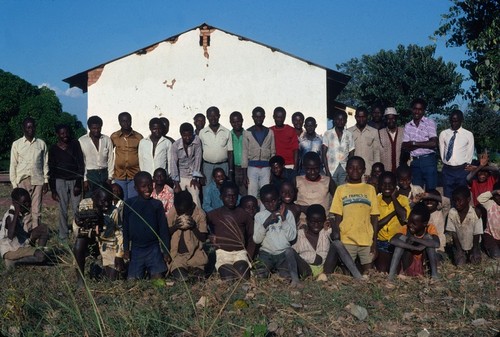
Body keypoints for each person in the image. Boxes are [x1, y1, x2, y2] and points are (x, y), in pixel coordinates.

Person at [329, 156, 379, 274]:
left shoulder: (370, 189)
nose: (355, 171)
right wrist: (340, 240)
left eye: (359, 168)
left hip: (366, 239)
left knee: (368, 274)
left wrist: (374, 243)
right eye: (351, 168)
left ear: (364, 170)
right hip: (347, 239)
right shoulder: (341, 189)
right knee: (348, 273)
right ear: (346, 169)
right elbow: (337, 217)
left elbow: (375, 218)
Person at [292, 204, 362, 280]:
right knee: (290, 251)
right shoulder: (300, 234)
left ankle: (357, 276)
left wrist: (331, 221)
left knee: (337, 243)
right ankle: (296, 280)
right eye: (312, 222)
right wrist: (310, 257)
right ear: (307, 221)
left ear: (324, 220)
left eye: (319, 222)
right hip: (306, 270)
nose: (316, 225)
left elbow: (336, 237)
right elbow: (294, 254)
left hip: (326, 269)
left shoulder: (325, 232)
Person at [123, 172, 171, 280]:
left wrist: (165, 251)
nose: (147, 189)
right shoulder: (129, 204)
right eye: (143, 186)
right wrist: (126, 249)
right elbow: (125, 229)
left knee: (158, 282)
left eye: (149, 185)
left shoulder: (157, 204)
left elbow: (163, 230)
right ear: (136, 188)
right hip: (136, 249)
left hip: (153, 249)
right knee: (132, 281)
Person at [73, 184, 122, 285]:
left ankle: (97, 269)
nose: (106, 204)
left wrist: (119, 255)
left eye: (109, 201)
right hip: (89, 239)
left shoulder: (114, 212)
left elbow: (119, 233)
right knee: (79, 244)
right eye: (103, 201)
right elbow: (77, 229)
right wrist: (79, 223)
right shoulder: (84, 204)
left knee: (112, 278)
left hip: (107, 243)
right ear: (94, 198)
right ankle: (80, 280)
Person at [253, 184, 301, 287]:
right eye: (267, 202)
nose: (271, 204)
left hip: (283, 253)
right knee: (260, 276)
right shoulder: (259, 216)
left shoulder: (288, 214)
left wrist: (283, 219)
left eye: (273, 200)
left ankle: (281, 272)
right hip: (266, 253)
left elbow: (292, 237)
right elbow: (257, 239)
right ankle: (269, 270)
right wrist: (266, 222)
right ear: (262, 202)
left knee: (285, 279)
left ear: (279, 198)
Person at [207, 181, 256, 280]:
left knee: (243, 275)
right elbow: (202, 225)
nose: (231, 199)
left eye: (234, 196)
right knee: (228, 276)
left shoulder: (243, 214)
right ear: (221, 197)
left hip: (240, 253)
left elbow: (252, 236)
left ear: (238, 196)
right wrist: (210, 236)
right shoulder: (214, 214)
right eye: (227, 196)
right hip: (223, 253)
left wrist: (249, 255)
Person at [10, 117, 49, 237]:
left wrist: (46, 180)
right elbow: (13, 165)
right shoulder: (17, 144)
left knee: (36, 210)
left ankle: (35, 236)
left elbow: (45, 163)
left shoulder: (41, 144)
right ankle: (25, 234)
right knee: (24, 210)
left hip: (38, 180)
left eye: (32, 127)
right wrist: (15, 185)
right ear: (23, 128)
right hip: (22, 181)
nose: (30, 129)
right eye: (28, 127)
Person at [48, 124, 85, 241]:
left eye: (66, 133)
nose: (65, 136)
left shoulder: (75, 144)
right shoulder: (53, 149)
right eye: (62, 133)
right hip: (60, 181)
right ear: (57, 134)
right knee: (62, 209)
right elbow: (52, 170)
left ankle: (78, 233)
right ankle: (63, 235)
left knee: (77, 209)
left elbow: (80, 164)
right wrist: (53, 189)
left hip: (74, 181)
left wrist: (79, 183)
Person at [388, 203, 440, 280]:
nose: (410, 225)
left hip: (423, 264)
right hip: (408, 263)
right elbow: (393, 240)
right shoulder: (405, 228)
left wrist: (416, 239)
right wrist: (415, 248)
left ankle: (435, 276)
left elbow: (436, 243)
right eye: (409, 221)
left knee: (428, 238)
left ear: (424, 224)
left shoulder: (430, 228)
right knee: (401, 240)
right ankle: (391, 277)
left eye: (414, 224)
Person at [167, 191, 208, 280]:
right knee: (181, 277)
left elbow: (203, 238)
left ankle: (195, 270)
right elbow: (166, 233)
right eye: (180, 213)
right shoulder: (173, 211)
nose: (182, 215)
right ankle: (180, 271)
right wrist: (175, 227)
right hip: (177, 255)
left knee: (198, 278)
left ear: (192, 207)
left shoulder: (200, 214)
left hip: (195, 254)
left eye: (186, 212)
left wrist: (193, 227)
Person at [374, 172, 410, 273]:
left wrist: (394, 197)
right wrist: (394, 213)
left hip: (398, 242)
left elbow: (404, 217)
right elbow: (376, 225)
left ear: (396, 185)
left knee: (396, 271)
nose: (387, 187)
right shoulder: (376, 200)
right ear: (379, 186)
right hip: (381, 242)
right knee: (382, 271)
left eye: (390, 184)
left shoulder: (402, 199)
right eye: (384, 184)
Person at [1, 188, 45, 270]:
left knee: (43, 229)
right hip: (11, 249)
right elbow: (10, 235)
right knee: (42, 257)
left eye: (29, 201)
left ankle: (37, 251)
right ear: (15, 204)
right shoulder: (10, 216)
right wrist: (17, 212)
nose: (28, 204)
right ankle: (15, 261)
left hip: (20, 244)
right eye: (24, 203)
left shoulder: (20, 213)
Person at [402, 98, 438, 190]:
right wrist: (425, 143)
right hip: (415, 162)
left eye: (420, 109)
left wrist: (414, 143)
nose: (417, 112)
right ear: (412, 109)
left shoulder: (429, 122)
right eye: (415, 109)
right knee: (416, 191)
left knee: (430, 190)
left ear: (423, 111)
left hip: (428, 160)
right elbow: (405, 145)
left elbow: (433, 143)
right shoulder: (408, 126)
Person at [439, 110, 474, 201]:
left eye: (456, 121)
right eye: (452, 120)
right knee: (447, 197)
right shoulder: (444, 134)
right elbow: (442, 150)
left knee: (461, 196)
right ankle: (449, 215)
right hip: (448, 170)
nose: (454, 123)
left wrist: (466, 166)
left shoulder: (468, 135)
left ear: (461, 120)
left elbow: (469, 152)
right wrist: (446, 163)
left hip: (461, 170)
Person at [295, 152, 336, 228]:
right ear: (304, 167)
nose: (312, 172)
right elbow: (290, 202)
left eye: (316, 168)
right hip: (303, 222)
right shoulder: (298, 181)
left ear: (320, 166)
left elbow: (337, 200)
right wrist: (301, 208)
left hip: (323, 222)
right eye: (309, 169)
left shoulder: (328, 181)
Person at [242, 107, 275, 198]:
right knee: (252, 193)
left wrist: (272, 171)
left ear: (264, 117)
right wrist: (245, 175)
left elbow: (273, 152)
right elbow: (244, 152)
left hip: (266, 168)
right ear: (253, 117)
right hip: (252, 167)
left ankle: (265, 211)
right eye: (256, 117)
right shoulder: (247, 132)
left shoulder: (269, 132)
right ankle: (252, 212)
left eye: (260, 117)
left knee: (266, 193)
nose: (258, 119)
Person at [198, 106, 233, 191]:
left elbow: (230, 153)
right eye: (210, 116)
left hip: (223, 165)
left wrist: (230, 170)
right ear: (207, 117)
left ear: (219, 116)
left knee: (223, 190)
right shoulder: (202, 133)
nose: (213, 118)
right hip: (207, 166)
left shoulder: (226, 132)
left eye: (215, 115)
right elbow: (199, 153)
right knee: (207, 190)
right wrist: (201, 171)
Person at [79, 115, 114, 198]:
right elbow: (82, 161)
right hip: (90, 174)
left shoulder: (106, 139)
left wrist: (110, 177)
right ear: (89, 127)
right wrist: (85, 179)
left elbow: (111, 159)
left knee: (105, 197)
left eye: (98, 128)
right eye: (94, 128)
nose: (96, 130)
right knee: (90, 197)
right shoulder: (82, 141)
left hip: (104, 173)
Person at [446, 186, 483, 266]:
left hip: (473, 244)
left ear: (468, 199)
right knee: (460, 264)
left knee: (476, 262)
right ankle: (462, 254)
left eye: (459, 201)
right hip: (459, 245)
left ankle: (472, 253)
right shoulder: (452, 213)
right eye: (455, 201)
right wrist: (459, 250)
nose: (457, 203)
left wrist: (475, 249)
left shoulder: (475, 213)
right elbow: (454, 234)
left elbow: (477, 233)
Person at [110, 112, 143, 200]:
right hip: (119, 175)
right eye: (123, 121)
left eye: (128, 121)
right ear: (119, 122)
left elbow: (142, 155)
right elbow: (109, 154)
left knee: (133, 201)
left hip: (134, 176)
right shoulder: (114, 136)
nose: (126, 123)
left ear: (131, 121)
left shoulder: (138, 137)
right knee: (121, 201)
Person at [170, 122, 203, 206]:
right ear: (181, 134)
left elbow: (198, 159)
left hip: (192, 175)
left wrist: (195, 178)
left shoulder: (197, 141)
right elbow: (173, 164)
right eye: (185, 136)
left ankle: (198, 217)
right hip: (181, 176)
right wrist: (176, 184)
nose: (187, 138)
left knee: (195, 196)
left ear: (193, 133)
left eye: (190, 135)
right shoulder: (175, 145)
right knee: (178, 198)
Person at [322, 110, 355, 186]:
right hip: (331, 168)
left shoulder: (349, 135)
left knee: (343, 191)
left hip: (344, 168)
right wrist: (327, 171)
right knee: (332, 193)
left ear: (345, 121)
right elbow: (323, 154)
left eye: (342, 119)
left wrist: (349, 171)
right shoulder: (328, 134)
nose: (340, 121)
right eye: (338, 119)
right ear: (334, 120)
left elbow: (351, 154)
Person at [348, 106, 381, 180]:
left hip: (368, 171)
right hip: (354, 172)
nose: (361, 119)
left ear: (367, 117)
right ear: (355, 117)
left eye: (363, 117)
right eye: (359, 117)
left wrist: (375, 172)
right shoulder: (349, 132)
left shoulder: (374, 132)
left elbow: (376, 152)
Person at [477, 183, 500, 258]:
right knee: (496, 255)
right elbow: (480, 198)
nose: (499, 198)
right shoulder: (491, 204)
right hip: (491, 235)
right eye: (497, 196)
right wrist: (495, 191)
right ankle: (489, 248)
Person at [378, 107, 404, 173]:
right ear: (385, 120)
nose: (391, 121)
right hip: (385, 171)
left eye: (393, 118)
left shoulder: (403, 132)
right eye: (388, 119)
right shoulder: (380, 133)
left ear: (396, 118)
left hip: (401, 171)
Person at [422, 190, 446, 259]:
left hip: (438, 249)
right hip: (423, 247)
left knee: (435, 258)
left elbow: (447, 202)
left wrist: (430, 195)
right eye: (427, 200)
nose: (429, 202)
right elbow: (409, 209)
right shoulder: (420, 213)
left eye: (432, 199)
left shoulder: (442, 213)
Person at [230, 111, 247, 196]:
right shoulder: (229, 135)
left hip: (245, 168)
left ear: (242, 120)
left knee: (245, 192)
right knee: (234, 192)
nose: (236, 124)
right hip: (234, 168)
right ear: (230, 123)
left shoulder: (247, 134)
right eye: (233, 122)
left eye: (238, 121)